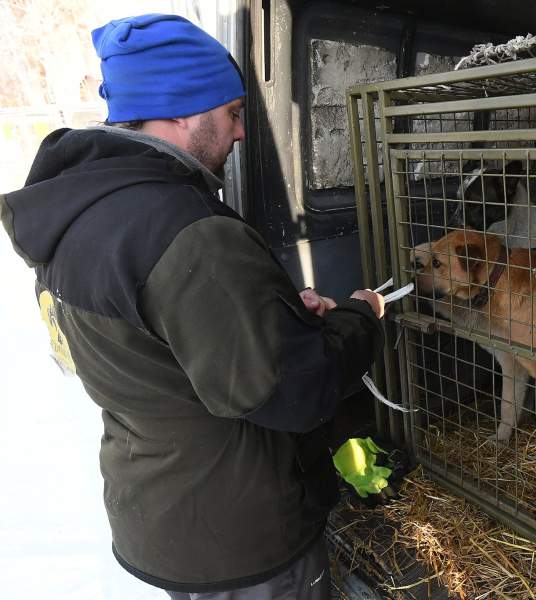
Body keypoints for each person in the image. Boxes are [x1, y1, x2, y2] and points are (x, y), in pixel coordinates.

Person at [0, 13, 385, 600]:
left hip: (162, 513)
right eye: (232, 113)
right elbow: (295, 392)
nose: (241, 133)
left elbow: (151, 351)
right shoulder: (187, 229)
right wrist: (360, 317)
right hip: (244, 533)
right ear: (179, 110)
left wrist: (277, 316)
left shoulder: (75, 214)